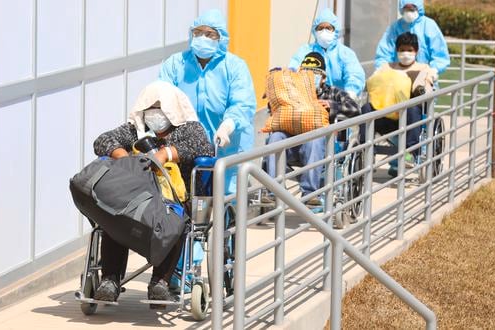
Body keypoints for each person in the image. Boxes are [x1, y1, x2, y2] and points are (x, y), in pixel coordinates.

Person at [92, 81, 213, 303]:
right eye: (150, 110)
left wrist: (166, 153)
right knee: (114, 218)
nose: (154, 115)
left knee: (174, 222)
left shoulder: (189, 129)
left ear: (172, 109)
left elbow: (203, 147)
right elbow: (102, 141)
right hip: (137, 198)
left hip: (173, 201)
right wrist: (125, 157)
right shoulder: (135, 131)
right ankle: (109, 280)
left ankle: (160, 282)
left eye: (159, 109)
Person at [159, 9, 256, 194]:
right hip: (186, 146)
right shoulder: (175, 64)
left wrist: (228, 125)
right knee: (186, 195)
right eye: (198, 32)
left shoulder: (235, 66)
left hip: (229, 145)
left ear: (221, 37)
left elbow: (242, 103)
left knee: (228, 198)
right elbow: (161, 96)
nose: (202, 37)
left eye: (210, 34)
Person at [265, 52, 361, 205]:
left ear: (323, 77)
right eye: (305, 73)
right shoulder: (291, 92)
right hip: (291, 142)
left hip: (321, 146)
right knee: (275, 137)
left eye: (315, 73)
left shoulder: (332, 92)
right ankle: (273, 191)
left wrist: (332, 105)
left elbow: (355, 109)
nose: (310, 77)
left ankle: (309, 193)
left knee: (315, 138)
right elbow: (272, 108)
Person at [362, 32, 434, 177]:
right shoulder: (386, 67)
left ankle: (410, 153)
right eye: (402, 50)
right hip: (385, 116)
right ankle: (365, 151)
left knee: (414, 107)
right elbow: (373, 82)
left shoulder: (423, 68)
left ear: (416, 51)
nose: (405, 53)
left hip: (407, 119)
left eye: (409, 50)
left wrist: (420, 88)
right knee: (366, 108)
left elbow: (426, 87)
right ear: (397, 51)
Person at [289, 8, 365, 100]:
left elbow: (354, 75)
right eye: (320, 28)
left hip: (338, 104)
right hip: (310, 103)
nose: (324, 31)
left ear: (335, 30)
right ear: (315, 31)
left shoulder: (346, 54)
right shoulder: (305, 50)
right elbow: (293, 70)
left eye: (328, 28)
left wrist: (348, 96)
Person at [374, 0, 450, 82]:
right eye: (406, 9)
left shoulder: (429, 25)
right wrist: (382, 69)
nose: (409, 12)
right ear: (401, 9)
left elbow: (439, 54)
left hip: (424, 78)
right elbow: (384, 53)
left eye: (412, 9)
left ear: (419, 8)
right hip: (399, 78)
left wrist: (433, 70)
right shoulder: (395, 27)